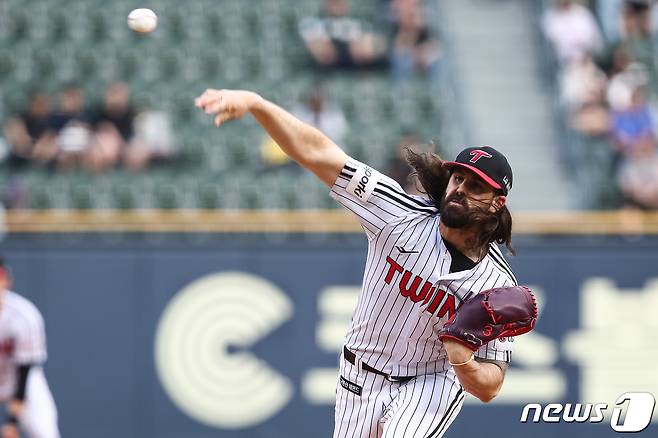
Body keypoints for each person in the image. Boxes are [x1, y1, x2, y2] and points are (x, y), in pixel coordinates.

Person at [195, 89, 534, 437]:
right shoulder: (398, 213)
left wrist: (463, 361)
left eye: (476, 186)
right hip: (360, 373)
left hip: (432, 380)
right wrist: (257, 104)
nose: (460, 189)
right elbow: (317, 153)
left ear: (497, 203)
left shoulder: (496, 283)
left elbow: (490, 386)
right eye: (458, 178)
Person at [0, 258, 59, 438]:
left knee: (45, 432)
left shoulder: (24, 315)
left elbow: (24, 370)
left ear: (7, 281)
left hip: (20, 381)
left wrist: (12, 421)